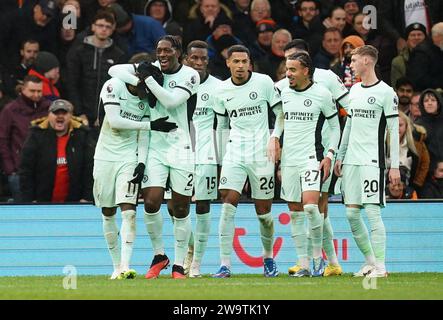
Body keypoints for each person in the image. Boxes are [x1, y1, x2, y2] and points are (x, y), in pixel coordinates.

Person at [108, 35, 201, 279]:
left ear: (178, 53)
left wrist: (147, 79)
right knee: (151, 202)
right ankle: (160, 255)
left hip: (181, 146)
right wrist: (139, 74)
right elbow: (113, 69)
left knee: (180, 207)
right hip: (155, 147)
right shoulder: (153, 68)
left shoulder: (190, 75)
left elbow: (171, 102)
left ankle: (180, 264)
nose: (162, 55)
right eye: (159, 51)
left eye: (168, 51)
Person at [93, 61, 178, 280]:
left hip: (128, 157)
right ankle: (115, 266)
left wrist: (141, 161)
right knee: (108, 212)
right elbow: (114, 121)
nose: (147, 96)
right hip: (104, 156)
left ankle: (125, 266)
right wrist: (150, 125)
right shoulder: (113, 86)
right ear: (138, 81)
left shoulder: (147, 100)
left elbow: (144, 135)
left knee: (129, 212)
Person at [276, 39, 349, 277]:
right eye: (286, 67)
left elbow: (341, 118)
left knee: (313, 207)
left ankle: (320, 260)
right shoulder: (282, 89)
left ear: (306, 66)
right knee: (298, 210)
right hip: (289, 159)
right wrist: (274, 138)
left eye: (292, 68)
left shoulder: (324, 86)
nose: (288, 73)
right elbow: (278, 116)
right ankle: (306, 263)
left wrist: (332, 154)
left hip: (315, 156)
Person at [211, 44, 282, 278]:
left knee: (264, 212)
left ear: (250, 63)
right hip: (235, 153)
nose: (240, 66)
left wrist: (274, 138)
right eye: (236, 62)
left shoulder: (263, 83)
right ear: (228, 63)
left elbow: (280, 114)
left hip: (262, 154)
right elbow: (221, 126)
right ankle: (224, 264)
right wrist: (220, 159)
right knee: (228, 201)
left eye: (244, 61)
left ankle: (268, 257)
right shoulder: (221, 90)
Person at [334, 45, 400, 278]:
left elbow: (393, 129)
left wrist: (394, 166)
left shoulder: (386, 92)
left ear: (367, 61)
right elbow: (349, 126)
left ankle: (381, 267)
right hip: (351, 160)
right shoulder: (354, 91)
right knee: (352, 214)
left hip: (372, 161)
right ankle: (370, 262)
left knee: (372, 212)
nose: (350, 65)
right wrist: (340, 156)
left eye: (354, 60)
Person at [181, 40, 223, 277]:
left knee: (203, 205)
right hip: (179, 153)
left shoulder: (218, 87)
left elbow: (224, 123)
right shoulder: (176, 84)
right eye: (194, 58)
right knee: (177, 206)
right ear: (186, 59)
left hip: (207, 155)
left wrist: (221, 159)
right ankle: (190, 247)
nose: (198, 63)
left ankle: (196, 263)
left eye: (203, 59)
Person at [18, 99, 94, 203]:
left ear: (71, 116)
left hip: (75, 204)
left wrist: (87, 197)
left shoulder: (83, 135)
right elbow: (26, 171)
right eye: (56, 113)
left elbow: (90, 169)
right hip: (41, 203)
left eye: (64, 113)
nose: (60, 116)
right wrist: (29, 200)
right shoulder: (35, 135)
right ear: (49, 115)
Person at [66, 10, 126, 127]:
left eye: (108, 27)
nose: (104, 29)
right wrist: (79, 112)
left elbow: (120, 88)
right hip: (81, 114)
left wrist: (108, 114)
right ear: (93, 27)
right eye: (100, 25)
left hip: (107, 116)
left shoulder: (118, 55)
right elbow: (72, 83)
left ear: (112, 29)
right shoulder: (78, 52)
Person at [0, 75, 51, 202]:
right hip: (19, 172)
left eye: (39, 91)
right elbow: (3, 140)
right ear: (23, 89)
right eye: (32, 91)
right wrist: (10, 170)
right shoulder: (10, 110)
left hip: (45, 171)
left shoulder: (49, 108)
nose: (36, 95)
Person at [386, 111, 430, 196]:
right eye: (393, 125)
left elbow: (425, 163)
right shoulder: (380, 144)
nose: (397, 128)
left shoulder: (417, 143)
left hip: (409, 187)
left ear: (406, 126)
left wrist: (416, 184)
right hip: (383, 188)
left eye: (400, 125)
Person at [407, 22, 443, 91]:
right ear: (438, 36)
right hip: (426, 93)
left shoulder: (439, 48)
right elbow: (419, 79)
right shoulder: (421, 53)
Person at [390, 23, 427, 88]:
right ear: (407, 40)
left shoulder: (434, 57)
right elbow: (396, 87)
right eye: (412, 35)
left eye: (419, 35)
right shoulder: (398, 61)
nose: (416, 38)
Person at [415, 89, 443, 171]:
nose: (429, 103)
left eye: (433, 100)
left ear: (438, 103)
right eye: (426, 101)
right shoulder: (417, 126)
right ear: (422, 105)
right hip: (427, 172)